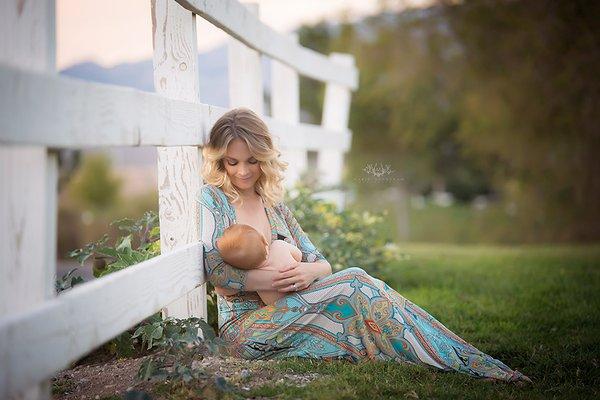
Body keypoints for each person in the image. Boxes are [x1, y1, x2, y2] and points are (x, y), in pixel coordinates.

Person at [197, 107, 532, 383]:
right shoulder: (215, 199)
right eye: (233, 162)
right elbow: (215, 270)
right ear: (221, 161)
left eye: (252, 161)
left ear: (264, 157)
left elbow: (322, 264)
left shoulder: (274, 205)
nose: (243, 171)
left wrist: (304, 273)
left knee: (363, 286)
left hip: (292, 304)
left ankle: (461, 356)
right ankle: (459, 362)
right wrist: (273, 280)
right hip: (247, 329)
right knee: (354, 283)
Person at [215, 223, 302, 305]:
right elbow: (299, 255)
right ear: (265, 242)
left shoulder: (256, 281)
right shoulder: (279, 246)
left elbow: (268, 303)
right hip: (303, 290)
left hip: (286, 307)